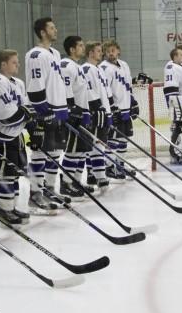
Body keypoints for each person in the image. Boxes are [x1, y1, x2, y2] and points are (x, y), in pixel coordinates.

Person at [0, 49, 33, 225]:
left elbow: (27, 110)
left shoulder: (18, 83)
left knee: (15, 174)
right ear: (3, 64)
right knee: (6, 175)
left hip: (16, 136)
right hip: (1, 136)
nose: (18, 64)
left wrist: (26, 115)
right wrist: (25, 114)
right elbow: (7, 116)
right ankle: (5, 210)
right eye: (14, 62)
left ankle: (12, 208)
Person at [24, 17, 68, 213]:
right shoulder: (35, 55)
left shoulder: (55, 53)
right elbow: (35, 87)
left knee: (55, 153)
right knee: (40, 154)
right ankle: (35, 194)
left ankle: (49, 189)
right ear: (42, 32)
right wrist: (43, 111)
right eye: (51, 27)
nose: (55, 30)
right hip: (45, 111)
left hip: (58, 110)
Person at [58, 35, 93, 200]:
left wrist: (86, 112)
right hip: (74, 115)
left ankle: (76, 181)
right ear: (71, 49)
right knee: (72, 151)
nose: (83, 48)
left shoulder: (76, 66)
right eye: (80, 45)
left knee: (81, 151)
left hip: (82, 113)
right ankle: (66, 183)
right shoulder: (66, 65)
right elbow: (65, 89)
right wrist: (72, 110)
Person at [99, 40, 137, 181]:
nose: (111, 53)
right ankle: (110, 167)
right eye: (108, 51)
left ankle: (120, 165)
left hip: (126, 108)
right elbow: (105, 90)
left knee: (123, 139)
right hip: (115, 110)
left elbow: (128, 86)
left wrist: (133, 102)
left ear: (118, 51)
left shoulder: (124, 65)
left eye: (113, 50)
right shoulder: (103, 67)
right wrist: (112, 108)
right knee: (113, 140)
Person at [80, 40, 113, 193]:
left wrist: (110, 110)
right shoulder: (87, 69)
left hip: (103, 111)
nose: (101, 53)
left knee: (99, 144)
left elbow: (104, 92)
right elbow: (88, 91)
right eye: (98, 51)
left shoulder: (97, 69)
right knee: (97, 145)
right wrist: (97, 108)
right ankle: (100, 176)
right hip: (95, 112)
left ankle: (94, 175)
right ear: (91, 53)